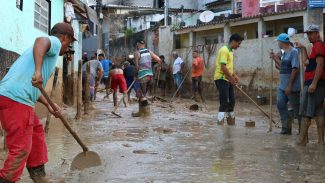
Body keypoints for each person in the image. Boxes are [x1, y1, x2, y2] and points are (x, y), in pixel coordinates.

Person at [0, 22, 76, 183]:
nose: (68, 48)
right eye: (69, 43)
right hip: (16, 99)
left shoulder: (45, 53)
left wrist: (48, 104)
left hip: (16, 97)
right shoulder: (53, 42)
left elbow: (32, 86)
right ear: (64, 38)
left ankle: (39, 177)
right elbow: (41, 40)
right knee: (20, 149)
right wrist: (38, 70)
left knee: (36, 133)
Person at [295, 25, 325, 146]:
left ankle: (301, 142)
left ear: (318, 33)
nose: (309, 36)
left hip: (314, 85)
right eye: (308, 34)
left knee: (305, 112)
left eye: (311, 33)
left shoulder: (318, 45)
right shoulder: (316, 47)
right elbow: (306, 62)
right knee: (319, 112)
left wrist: (313, 83)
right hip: (318, 85)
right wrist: (303, 49)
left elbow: (320, 65)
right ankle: (321, 142)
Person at [269, 33, 301, 135]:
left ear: (282, 42)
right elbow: (282, 67)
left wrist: (290, 86)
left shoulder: (294, 52)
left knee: (297, 109)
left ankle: (302, 131)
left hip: (291, 87)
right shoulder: (283, 53)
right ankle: (286, 128)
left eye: (278, 41)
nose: (277, 43)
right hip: (282, 86)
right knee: (280, 104)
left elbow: (295, 69)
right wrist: (274, 58)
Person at [214, 33, 243, 125]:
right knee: (224, 101)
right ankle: (220, 123)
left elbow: (229, 68)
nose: (239, 46)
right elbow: (223, 67)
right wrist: (231, 79)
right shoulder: (224, 50)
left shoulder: (230, 52)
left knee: (232, 101)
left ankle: (231, 122)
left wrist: (235, 76)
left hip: (228, 78)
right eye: (238, 43)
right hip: (221, 78)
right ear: (233, 41)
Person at [132, 39, 161, 117]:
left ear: (137, 44)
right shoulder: (149, 51)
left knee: (141, 96)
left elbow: (137, 67)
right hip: (150, 76)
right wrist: (156, 69)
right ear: (144, 44)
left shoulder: (137, 53)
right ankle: (141, 112)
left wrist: (135, 76)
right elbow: (158, 60)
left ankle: (147, 113)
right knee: (141, 94)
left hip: (142, 76)